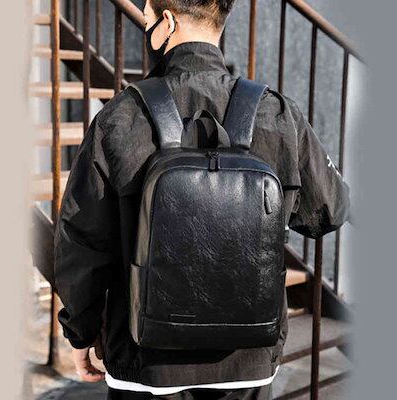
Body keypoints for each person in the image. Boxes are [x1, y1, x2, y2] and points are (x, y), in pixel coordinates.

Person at [53, 1, 351, 399]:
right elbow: (329, 211)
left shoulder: (121, 116)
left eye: (147, 18)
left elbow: (82, 242)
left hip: (145, 362)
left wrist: (81, 333)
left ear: (167, 22)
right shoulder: (277, 114)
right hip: (247, 360)